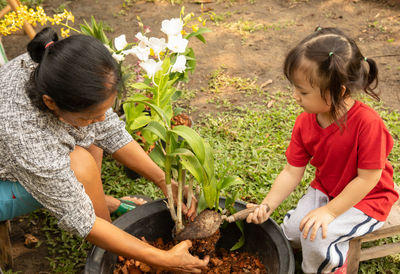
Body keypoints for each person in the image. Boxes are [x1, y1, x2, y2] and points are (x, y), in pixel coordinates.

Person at [0, 27, 208, 273]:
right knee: (81, 162)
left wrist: (162, 179)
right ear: (50, 102)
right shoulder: (26, 135)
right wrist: (161, 258)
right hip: (6, 184)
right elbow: (81, 220)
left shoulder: (53, 65)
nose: (101, 120)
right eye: (89, 115)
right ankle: (109, 251)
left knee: (91, 136)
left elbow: (108, 129)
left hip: (35, 154)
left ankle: (103, 208)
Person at [246, 27, 399, 273]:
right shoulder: (306, 121)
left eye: (303, 91)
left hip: (367, 198)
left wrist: (330, 212)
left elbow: (368, 178)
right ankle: (324, 238)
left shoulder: (368, 124)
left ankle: (333, 265)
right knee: (292, 232)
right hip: (327, 189)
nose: (295, 96)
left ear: (337, 92)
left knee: (317, 238)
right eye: (294, 88)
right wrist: (267, 205)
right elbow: (291, 171)